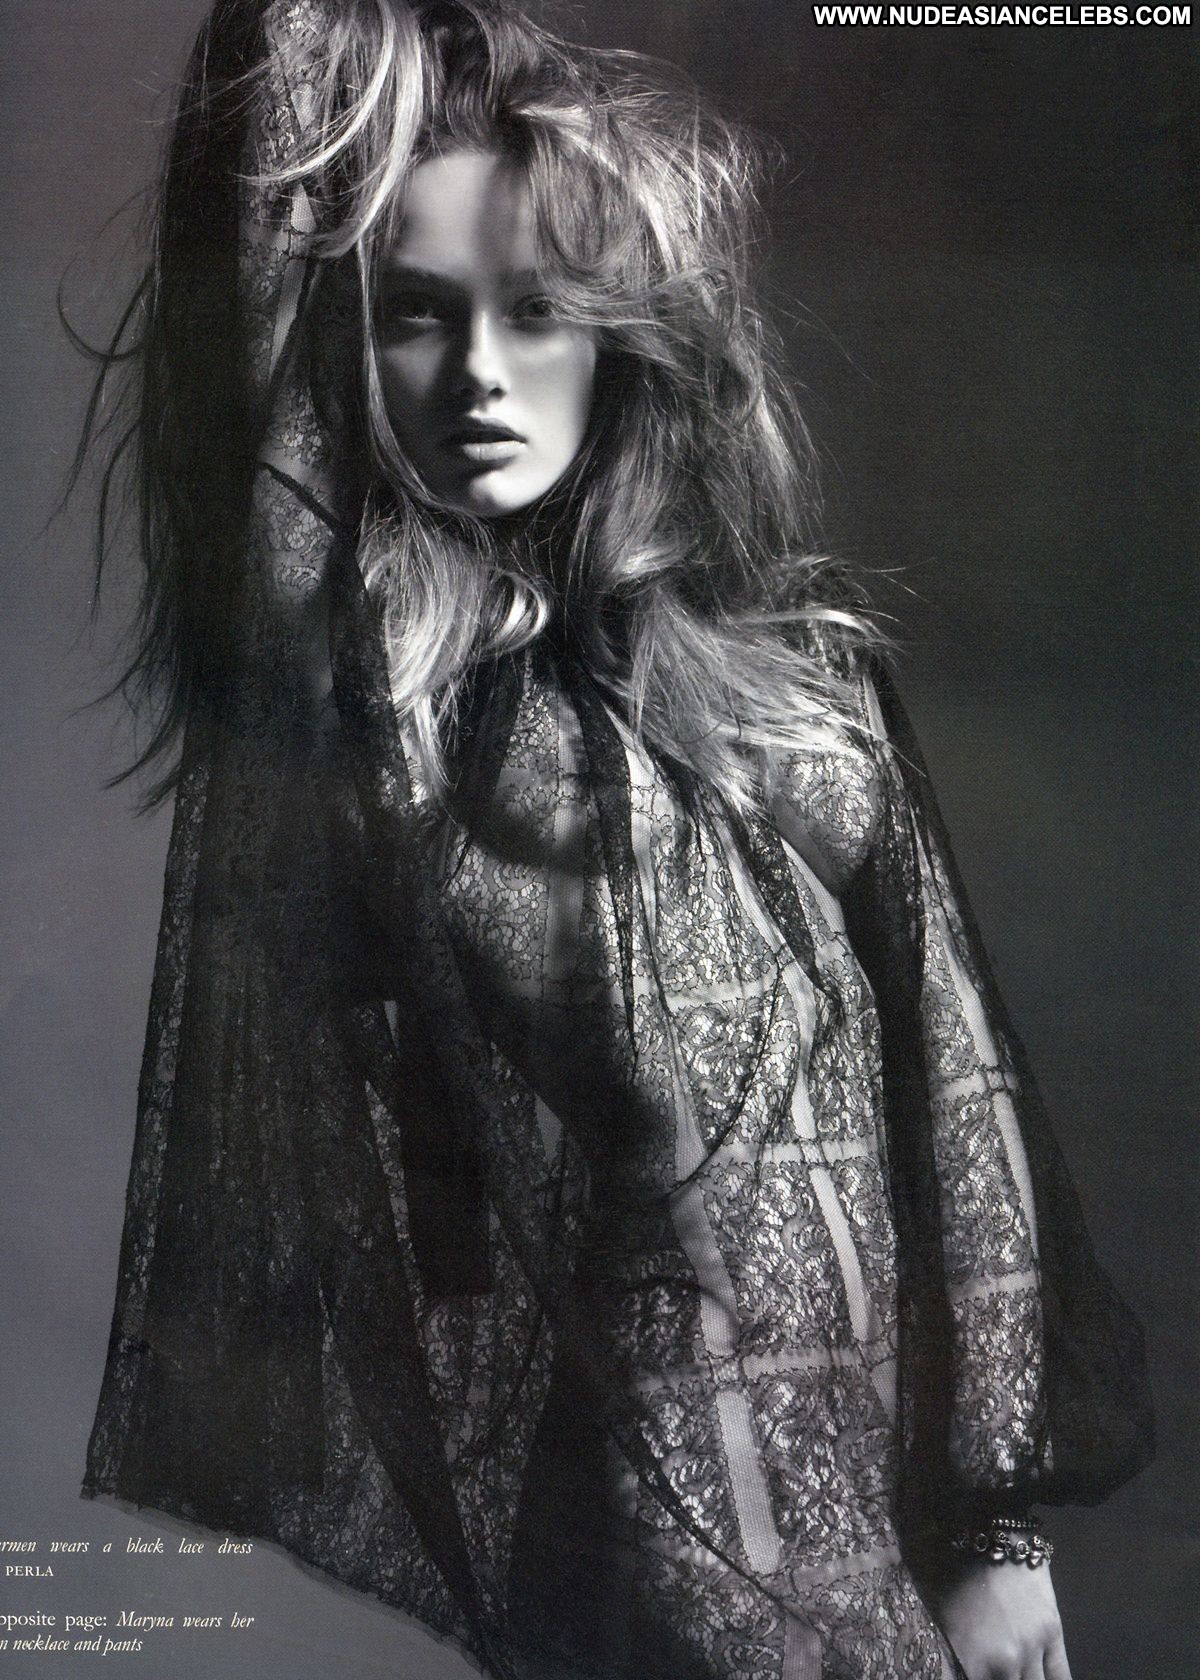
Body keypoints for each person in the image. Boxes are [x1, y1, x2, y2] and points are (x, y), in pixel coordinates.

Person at [79, 3, 1153, 1677]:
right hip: (650, 1566)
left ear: (624, 339)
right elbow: (261, 220)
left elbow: (958, 1103)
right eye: (415, 315)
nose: (477, 372)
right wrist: (417, 52)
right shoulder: (382, 712)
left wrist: (997, 1534)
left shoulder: (803, 689)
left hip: (886, 1562)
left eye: (537, 310)